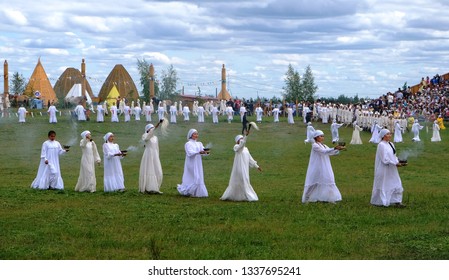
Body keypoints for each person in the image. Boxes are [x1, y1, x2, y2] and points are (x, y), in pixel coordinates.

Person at [302, 130, 344, 203]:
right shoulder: (315, 145)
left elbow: (329, 152)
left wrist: (338, 149)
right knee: (314, 182)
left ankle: (331, 198)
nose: (322, 138)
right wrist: (334, 148)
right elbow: (323, 152)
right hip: (317, 166)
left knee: (329, 179)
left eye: (323, 136)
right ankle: (306, 198)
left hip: (325, 165)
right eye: (321, 136)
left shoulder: (324, 145)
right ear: (316, 137)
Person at [220, 130, 262, 202]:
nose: (242, 140)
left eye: (242, 139)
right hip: (239, 167)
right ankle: (248, 196)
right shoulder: (236, 147)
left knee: (244, 180)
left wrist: (256, 166)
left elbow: (250, 158)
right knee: (242, 180)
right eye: (240, 139)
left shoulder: (246, 149)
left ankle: (242, 195)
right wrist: (246, 136)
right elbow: (241, 146)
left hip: (245, 168)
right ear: (237, 141)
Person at [371, 129, 406, 207]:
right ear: (383, 136)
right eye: (387, 134)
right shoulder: (381, 145)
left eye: (390, 134)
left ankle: (397, 201)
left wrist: (398, 162)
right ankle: (380, 201)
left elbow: (394, 155)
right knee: (383, 184)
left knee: (396, 183)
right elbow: (384, 159)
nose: (390, 135)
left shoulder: (391, 144)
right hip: (384, 168)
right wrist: (395, 163)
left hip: (392, 168)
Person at [177, 129, 209, 197]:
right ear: (191, 135)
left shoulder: (199, 143)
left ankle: (197, 192)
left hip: (198, 162)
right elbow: (189, 153)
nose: (196, 135)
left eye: (197, 134)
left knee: (198, 176)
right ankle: (189, 191)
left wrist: (206, 152)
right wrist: (198, 152)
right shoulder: (188, 144)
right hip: (191, 163)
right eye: (195, 134)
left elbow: (203, 151)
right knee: (194, 176)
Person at [139, 122, 163, 194]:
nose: (153, 130)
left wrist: (157, 155)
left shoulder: (155, 138)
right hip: (148, 154)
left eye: (153, 128)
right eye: (151, 128)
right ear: (148, 129)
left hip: (155, 155)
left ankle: (156, 188)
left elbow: (157, 147)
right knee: (149, 169)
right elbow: (148, 137)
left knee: (157, 170)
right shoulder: (145, 135)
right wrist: (157, 125)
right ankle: (148, 188)